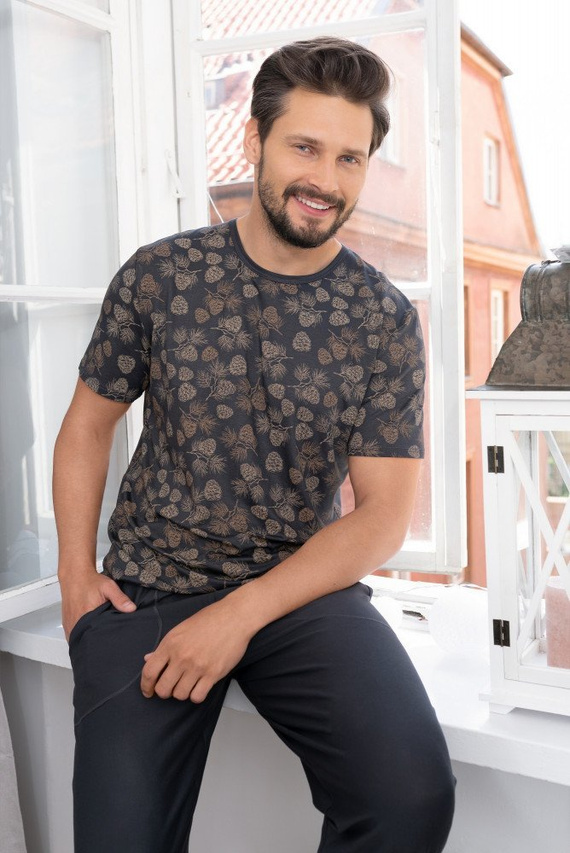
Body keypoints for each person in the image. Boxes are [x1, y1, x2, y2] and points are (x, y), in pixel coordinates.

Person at [53, 36, 455, 853]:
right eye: (305, 147)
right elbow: (87, 425)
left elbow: (382, 516)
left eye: (349, 158)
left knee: (411, 797)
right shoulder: (159, 276)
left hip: (300, 590)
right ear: (254, 140)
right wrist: (73, 578)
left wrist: (238, 614)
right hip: (149, 585)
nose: (326, 180)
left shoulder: (382, 318)